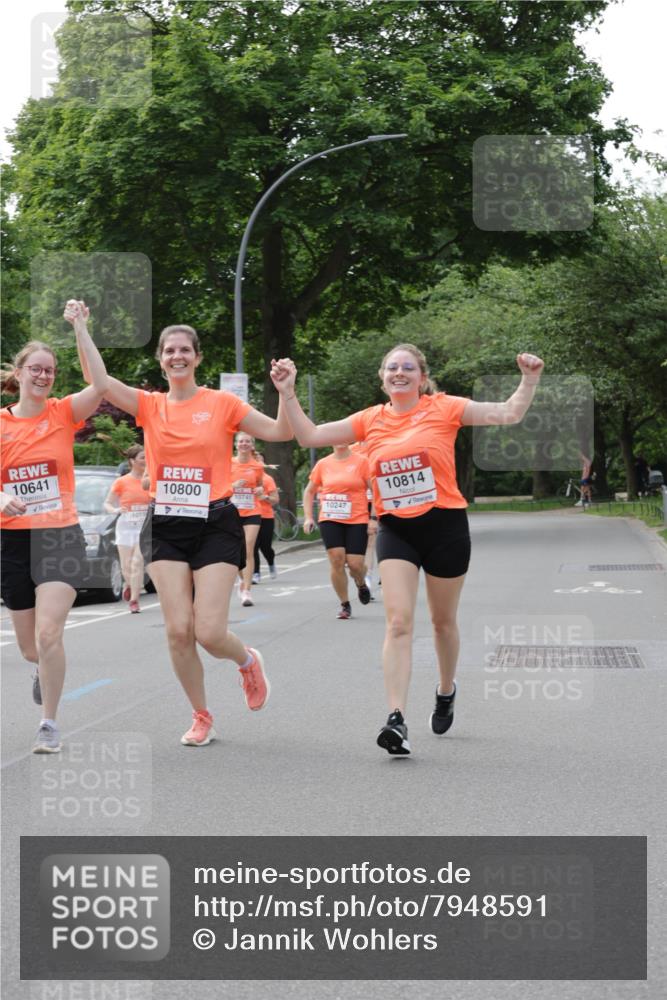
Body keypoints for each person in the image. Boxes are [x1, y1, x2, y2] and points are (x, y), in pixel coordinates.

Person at [271, 344, 544, 756]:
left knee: (441, 623)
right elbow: (309, 435)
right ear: (382, 377)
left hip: (445, 526)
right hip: (397, 528)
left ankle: (446, 690)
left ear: (422, 377)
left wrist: (529, 379)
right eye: (392, 367)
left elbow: (508, 413)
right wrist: (287, 392)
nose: (400, 372)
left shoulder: (445, 408)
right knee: (398, 623)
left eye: (408, 367)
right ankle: (396, 718)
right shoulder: (369, 419)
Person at [71, 302, 293, 748]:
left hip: (215, 521)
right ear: (161, 358)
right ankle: (202, 715)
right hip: (167, 523)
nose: (177, 356)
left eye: (185, 350)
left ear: (197, 357)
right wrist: (81, 326)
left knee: (208, 632)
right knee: (177, 630)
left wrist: (286, 393)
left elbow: (281, 432)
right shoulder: (149, 405)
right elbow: (99, 381)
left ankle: (247, 660)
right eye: (169, 350)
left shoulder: (222, 403)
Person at [0, 302, 109, 753]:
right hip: (12, 538)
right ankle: (40, 670)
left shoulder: (64, 412)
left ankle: (49, 724)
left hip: (59, 533)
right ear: (20, 373)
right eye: (37, 369)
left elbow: (100, 385)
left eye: (50, 370)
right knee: (31, 649)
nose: (44, 376)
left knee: (50, 634)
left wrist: (81, 327)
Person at [302, 445, 376, 618]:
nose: (339, 441)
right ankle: (345, 604)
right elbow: (309, 491)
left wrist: (374, 518)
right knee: (336, 560)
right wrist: (308, 517)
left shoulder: (362, 462)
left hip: (357, 518)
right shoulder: (323, 463)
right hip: (330, 518)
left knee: (355, 564)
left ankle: (361, 583)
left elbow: (376, 491)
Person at [103, 444, 151, 613]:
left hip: (144, 528)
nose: (146, 460)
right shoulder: (121, 482)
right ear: (132, 461)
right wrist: (115, 510)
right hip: (125, 526)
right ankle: (129, 584)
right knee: (126, 565)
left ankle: (134, 600)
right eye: (142, 458)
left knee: (138, 562)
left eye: (147, 457)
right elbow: (107, 503)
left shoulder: (150, 480)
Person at [230, 432, 266, 606]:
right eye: (241, 441)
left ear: (252, 445)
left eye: (247, 441)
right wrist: (233, 486)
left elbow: (260, 486)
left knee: (249, 547)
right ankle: (242, 582)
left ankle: (246, 589)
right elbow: (218, 487)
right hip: (232, 512)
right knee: (237, 551)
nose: (244, 444)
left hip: (252, 510)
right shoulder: (228, 463)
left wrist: (260, 491)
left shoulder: (257, 466)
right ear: (236, 445)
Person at [252, 451, 279, 584]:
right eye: (255, 459)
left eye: (260, 460)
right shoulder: (246, 477)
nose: (258, 462)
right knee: (252, 546)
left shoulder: (268, 479)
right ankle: (255, 573)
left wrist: (265, 497)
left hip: (266, 516)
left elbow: (275, 500)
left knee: (265, 546)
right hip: (250, 515)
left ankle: (271, 563)